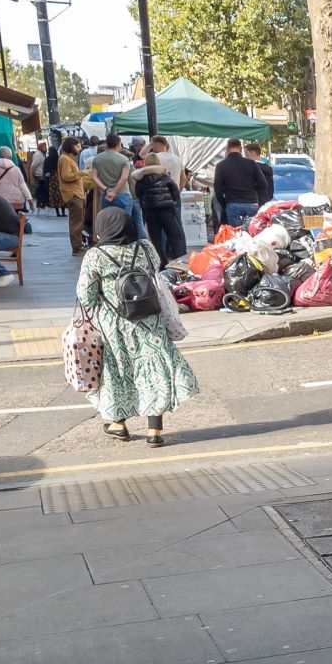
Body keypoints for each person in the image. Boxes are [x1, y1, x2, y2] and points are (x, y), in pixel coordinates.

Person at [76, 207, 197, 447]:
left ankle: (118, 424)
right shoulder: (145, 248)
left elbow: (86, 296)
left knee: (117, 372)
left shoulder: (96, 256)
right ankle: (155, 431)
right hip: (149, 319)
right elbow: (156, 270)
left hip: (113, 325)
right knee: (152, 372)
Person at [133, 158, 186, 265]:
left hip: (150, 211)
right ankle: (179, 261)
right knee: (175, 236)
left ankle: (162, 262)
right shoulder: (166, 177)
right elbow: (175, 193)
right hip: (167, 210)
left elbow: (139, 194)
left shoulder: (141, 179)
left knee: (155, 239)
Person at [213, 139, 265, 227]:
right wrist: (253, 191)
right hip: (251, 202)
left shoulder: (221, 165)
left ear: (227, 149)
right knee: (252, 231)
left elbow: (217, 188)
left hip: (232, 202)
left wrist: (224, 203)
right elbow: (263, 183)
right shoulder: (251, 163)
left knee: (235, 233)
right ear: (240, 149)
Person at [55, 137, 91, 255]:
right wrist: (81, 173)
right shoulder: (65, 159)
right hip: (73, 194)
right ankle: (77, 248)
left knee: (79, 221)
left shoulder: (69, 158)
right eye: (77, 146)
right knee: (76, 222)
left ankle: (78, 246)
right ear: (71, 146)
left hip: (77, 193)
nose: (80, 149)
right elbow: (66, 176)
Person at [0, 146, 32, 224]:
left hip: (0, 201)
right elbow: (23, 186)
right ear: (10, 156)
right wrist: (30, 199)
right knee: (14, 220)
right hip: (17, 201)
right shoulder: (16, 169)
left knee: (1, 221)